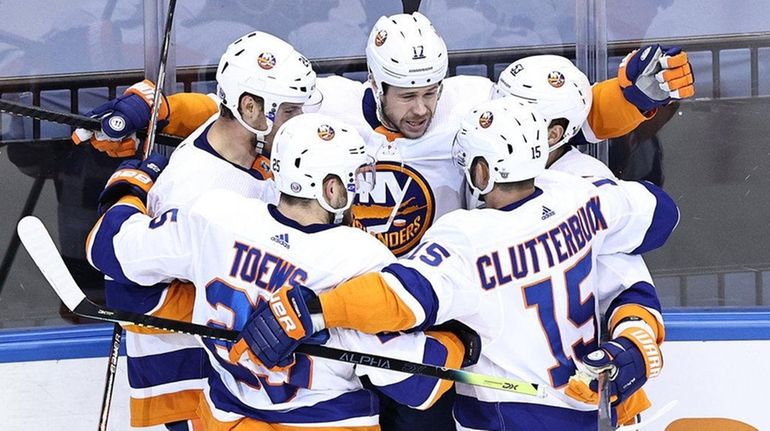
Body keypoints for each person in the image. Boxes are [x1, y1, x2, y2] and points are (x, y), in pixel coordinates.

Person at [238, 98, 680, 431]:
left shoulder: (467, 237)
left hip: (504, 416)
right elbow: (661, 216)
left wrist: (314, 309)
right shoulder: (582, 196)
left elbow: (396, 300)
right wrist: (634, 341)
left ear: (482, 172)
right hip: (591, 406)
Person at [86, 112, 476, 430]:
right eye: (353, 179)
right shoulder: (356, 258)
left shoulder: (217, 216)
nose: (357, 190)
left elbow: (110, 251)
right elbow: (414, 382)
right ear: (329, 189)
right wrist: (461, 344)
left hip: (228, 419)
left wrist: (132, 184)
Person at [81, 31, 319, 430]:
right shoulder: (198, 194)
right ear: (250, 108)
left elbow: (210, 106)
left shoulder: (235, 133)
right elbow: (136, 295)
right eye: (292, 111)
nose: (304, 123)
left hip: (242, 379)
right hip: (195, 385)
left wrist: (157, 105)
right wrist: (128, 189)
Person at [492, 53, 674, 425]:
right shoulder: (481, 160)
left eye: (515, 115)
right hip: (491, 399)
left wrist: (632, 345)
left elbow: (626, 284)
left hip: (573, 402)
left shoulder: (585, 187)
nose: (493, 121)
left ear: (554, 134)